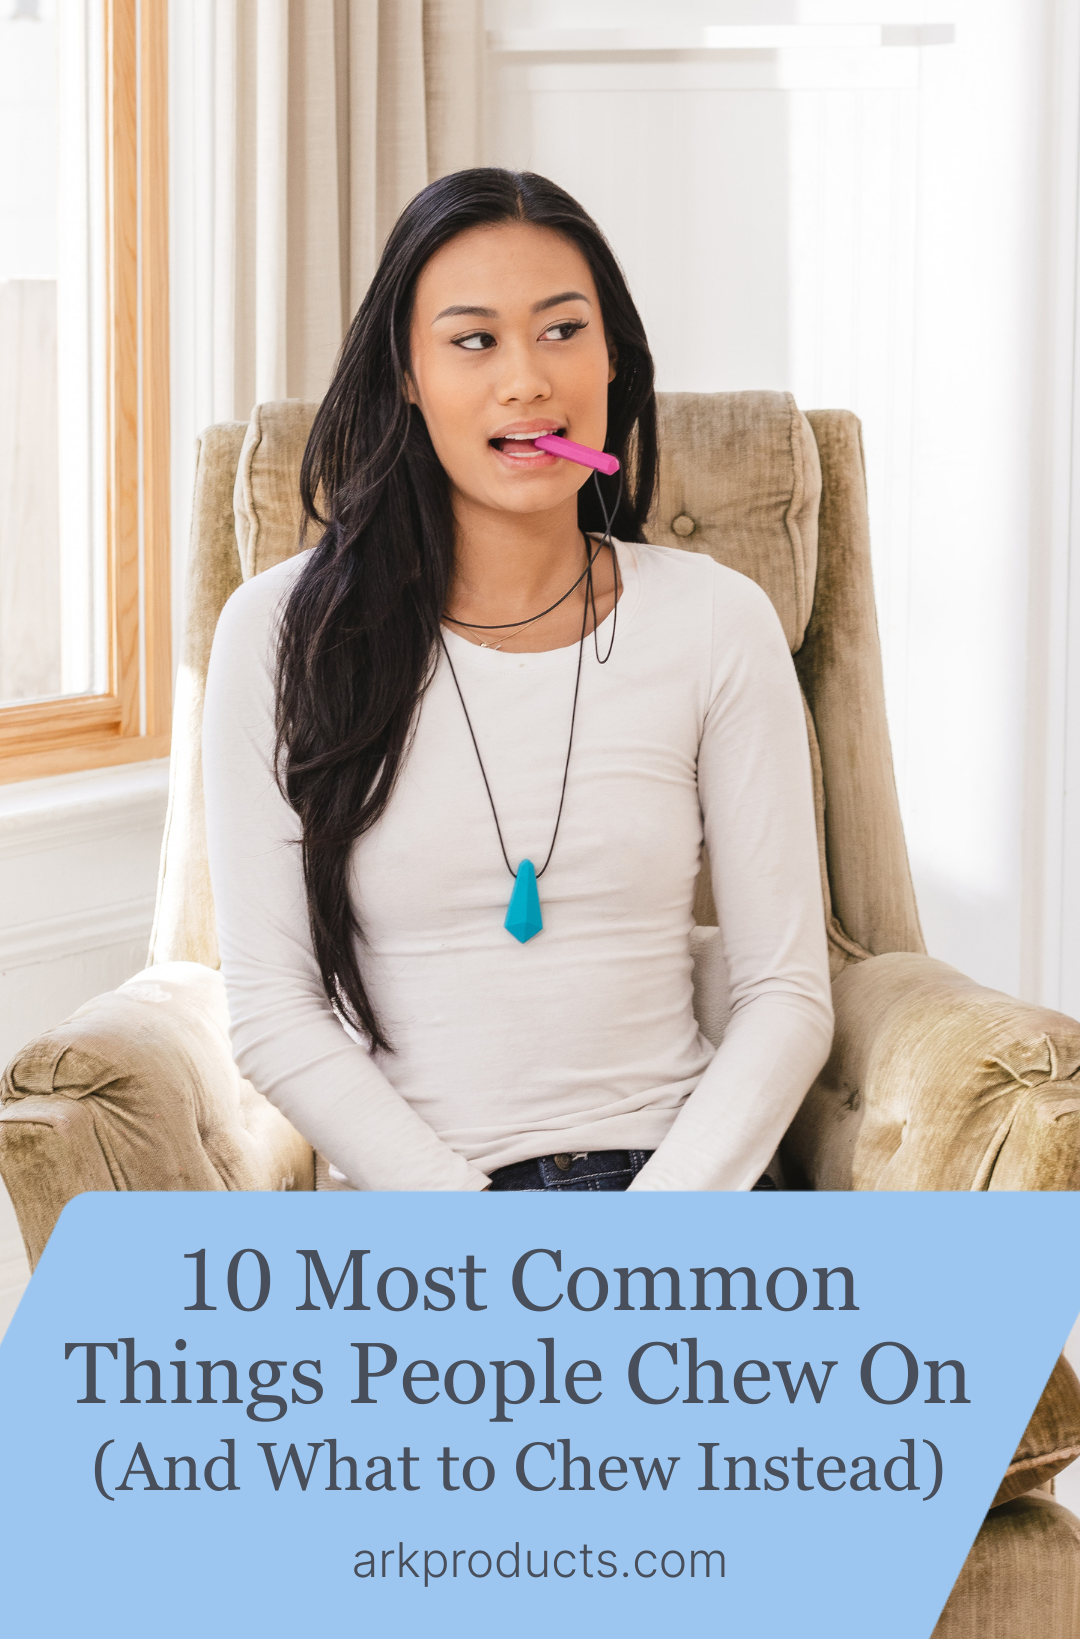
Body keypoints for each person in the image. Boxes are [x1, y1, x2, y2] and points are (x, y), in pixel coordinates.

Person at [202, 168, 833, 1195]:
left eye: (560, 330)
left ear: (612, 356)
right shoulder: (281, 633)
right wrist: (489, 1236)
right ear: (407, 373)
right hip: (427, 1223)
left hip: (679, 1196)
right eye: (473, 339)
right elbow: (272, 1010)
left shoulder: (717, 620)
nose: (527, 382)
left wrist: (648, 1241)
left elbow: (785, 992)